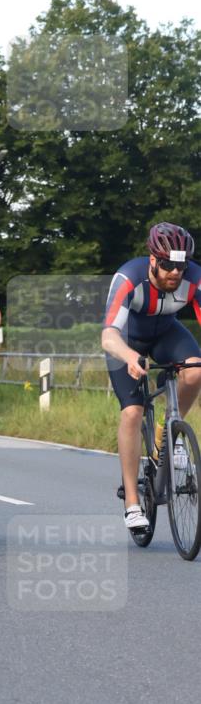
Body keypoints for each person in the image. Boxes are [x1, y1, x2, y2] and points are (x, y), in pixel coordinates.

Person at [102, 222, 201, 531]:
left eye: (181, 266)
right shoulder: (128, 278)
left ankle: (166, 436)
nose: (176, 273)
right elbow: (108, 336)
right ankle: (132, 503)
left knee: (195, 371)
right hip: (126, 341)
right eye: (168, 265)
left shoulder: (194, 279)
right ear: (153, 260)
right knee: (132, 412)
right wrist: (130, 356)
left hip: (166, 333)